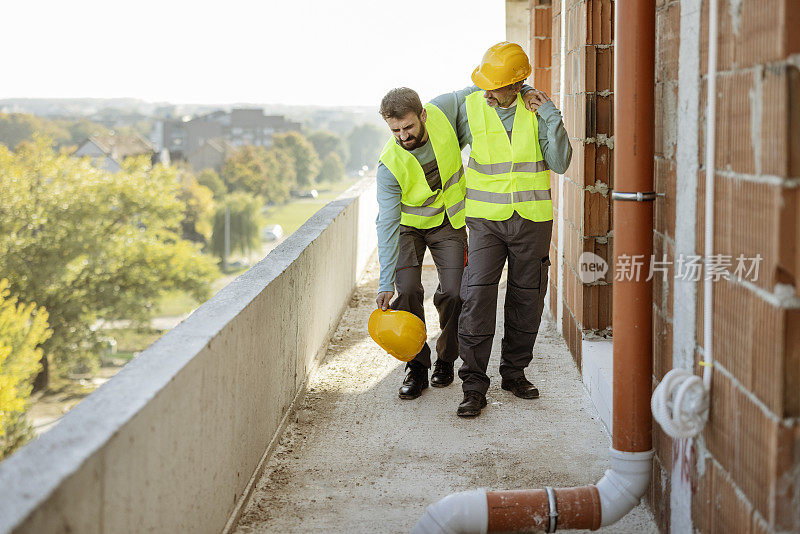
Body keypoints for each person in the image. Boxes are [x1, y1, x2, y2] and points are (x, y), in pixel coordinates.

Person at [430, 42, 572, 417]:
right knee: (475, 297)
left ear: (517, 84)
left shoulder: (537, 109)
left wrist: (551, 116)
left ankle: (514, 373)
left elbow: (559, 163)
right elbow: (428, 116)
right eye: (484, 84)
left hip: (532, 219)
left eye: (494, 86)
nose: (487, 92)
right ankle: (474, 386)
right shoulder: (470, 103)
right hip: (485, 222)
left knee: (527, 299)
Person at [375, 87, 468, 399]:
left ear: (423, 115)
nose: (403, 136)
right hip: (407, 231)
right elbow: (386, 223)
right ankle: (416, 367)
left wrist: (520, 86)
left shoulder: (443, 110)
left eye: (408, 127)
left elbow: (479, 88)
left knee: (455, 293)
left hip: (447, 223)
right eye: (395, 130)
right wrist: (384, 280)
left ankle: (445, 359)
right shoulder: (389, 165)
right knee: (409, 291)